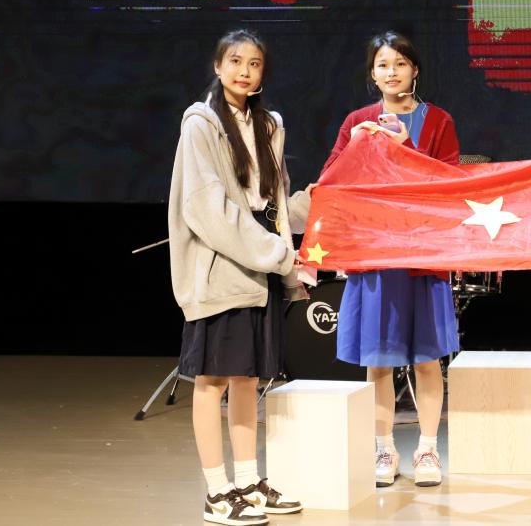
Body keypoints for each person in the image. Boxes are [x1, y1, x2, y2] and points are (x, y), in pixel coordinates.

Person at [168, 29, 306, 524]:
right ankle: (216, 492)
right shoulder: (201, 123)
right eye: (235, 61)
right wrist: (276, 254)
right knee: (211, 382)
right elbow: (207, 208)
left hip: (259, 265)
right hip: (221, 266)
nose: (244, 71)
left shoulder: (268, 124)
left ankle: (247, 482)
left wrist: (288, 258)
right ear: (217, 66)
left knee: (247, 379)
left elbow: (276, 201)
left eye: (254, 64)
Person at [320, 31, 460, 488]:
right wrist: (355, 146)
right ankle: (384, 449)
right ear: (373, 74)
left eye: (400, 63)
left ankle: (427, 449)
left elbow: (451, 185)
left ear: (414, 70)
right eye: (383, 64)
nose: (392, 72)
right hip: (376, 255)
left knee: (427, 359)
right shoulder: (357, 121)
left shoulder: (438, 121)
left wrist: (406, 149)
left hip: (422, 254)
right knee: (378, 360)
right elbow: (329, 182)